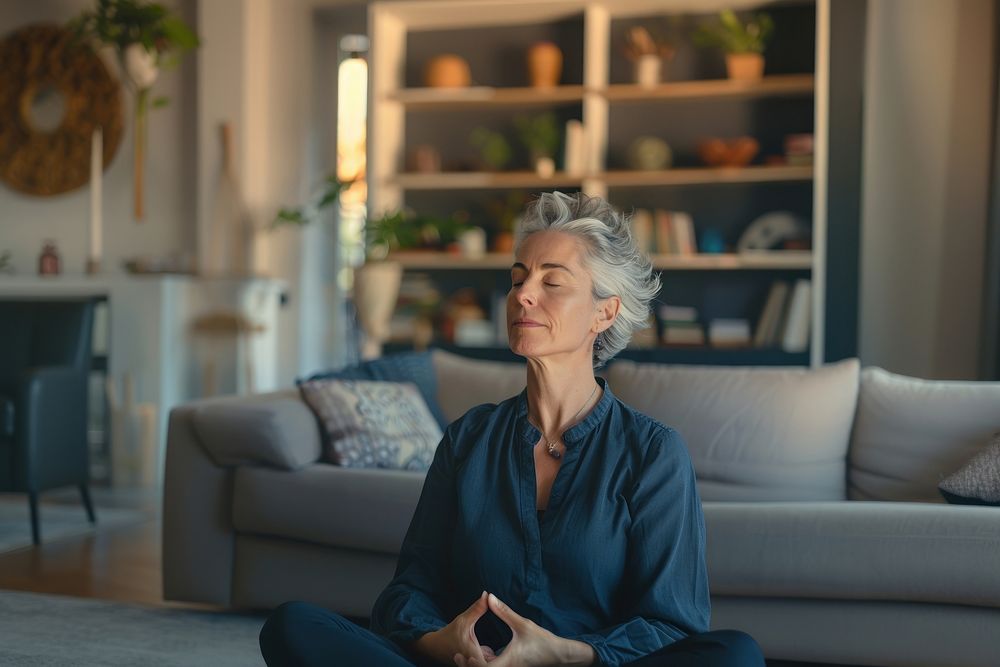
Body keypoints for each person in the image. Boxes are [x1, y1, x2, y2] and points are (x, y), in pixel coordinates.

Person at [260, 192, 764, 666]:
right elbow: (409, 591)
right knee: (293, 624)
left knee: (734, 655)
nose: (523, 294)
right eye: (519, 277)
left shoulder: (652, 452)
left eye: (552, 282)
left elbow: (673, 624)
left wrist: (560, 653)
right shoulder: (469, 438)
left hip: (581, 665)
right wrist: (443, 642)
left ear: (603, 312)